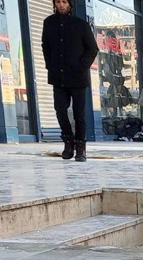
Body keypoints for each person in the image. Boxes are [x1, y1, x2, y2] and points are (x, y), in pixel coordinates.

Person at [42, 0, 98, 162]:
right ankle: (68, 141)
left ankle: (81, 146)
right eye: (58, 2)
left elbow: (92, 48)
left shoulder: (80, 24)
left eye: (64, 2)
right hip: (57, 76)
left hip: (78, 77)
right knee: (60, 110)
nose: (61, 5)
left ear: (70, 5)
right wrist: (49, 65)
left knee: (79, 114)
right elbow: (46, 45)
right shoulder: (49, 22)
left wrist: (81, 66)